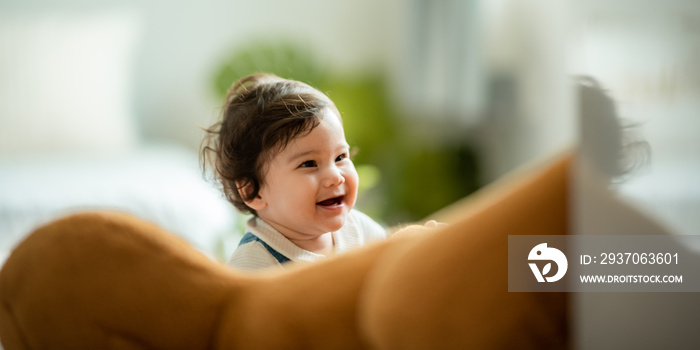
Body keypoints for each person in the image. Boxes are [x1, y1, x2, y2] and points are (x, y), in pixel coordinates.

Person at [201, 73, 386, 270]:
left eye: (340, 157)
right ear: (251, 190)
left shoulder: (359, 229)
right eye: (309, 164)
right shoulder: (255, 266)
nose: (335, 177)